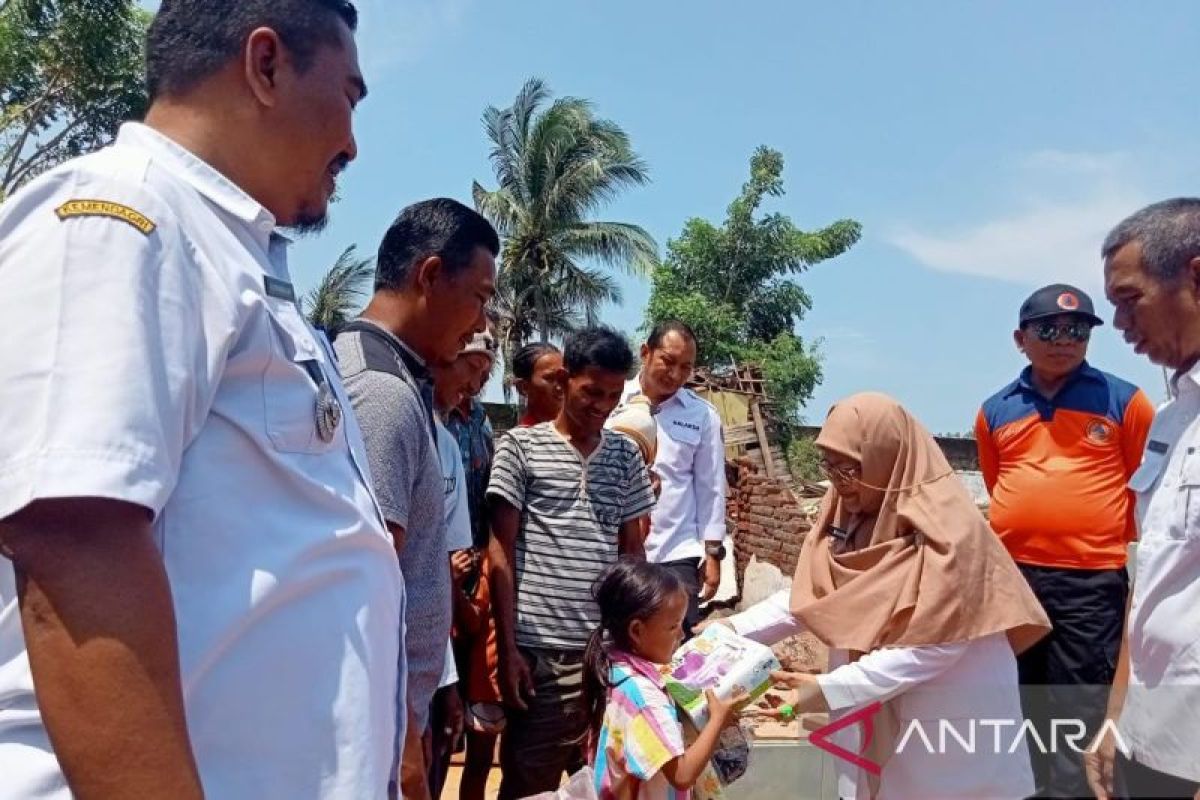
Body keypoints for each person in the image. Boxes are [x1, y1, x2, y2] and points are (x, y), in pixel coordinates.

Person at [0, 3, 405, 798]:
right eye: (350, 96)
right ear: (266, 64)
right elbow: (78, 541)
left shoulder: (229, 257)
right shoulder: (122, 219)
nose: (353, 144)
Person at [711, 393, 1051, 800]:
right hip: (870, 706)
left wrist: (832, 688)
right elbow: (813, 599)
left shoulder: (952, 530)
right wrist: (731, 632)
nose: (838, 482)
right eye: (830, 466)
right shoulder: (845, 514)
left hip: (949, 717)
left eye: (850, 467)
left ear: (886, 456)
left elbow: (938, 645)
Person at [334, 198, 497, 800]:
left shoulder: (379, 369)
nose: (480, 321)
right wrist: (401, 737)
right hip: (381, 723)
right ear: (429, 276)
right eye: (479, 297)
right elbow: (367, 585)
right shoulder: (382, 393)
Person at [974, 283, 1154, 797]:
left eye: (1077, 330)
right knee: (1018, 703)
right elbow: (996, 482)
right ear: (1020, 338)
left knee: (1080, 710)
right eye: (1049, 329)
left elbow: (1143, 487)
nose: (1064, 339)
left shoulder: (1125, 401)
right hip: (1014, 582)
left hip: (1090, 584)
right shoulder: (995, 410)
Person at [488, 327, 656, 800]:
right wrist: (509, 650)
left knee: (603, 784)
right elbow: (500, 551)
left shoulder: (625, 457)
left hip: (603, 659)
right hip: (539, 656)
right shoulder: (519, 450)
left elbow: (632, 554)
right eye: (591, 392)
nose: (602, 405)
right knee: (529, 784)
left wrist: (630, 647)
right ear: (563, 381)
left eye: (613, 396)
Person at [1085, 198, 1200, 800]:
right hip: (1149, 739)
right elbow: (1149, 579)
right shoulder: (1168, 421)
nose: (1121, 325)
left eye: (1130, 301)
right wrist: (1116, 717)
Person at [584, 559, 744, 800]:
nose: (681, 635)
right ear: (636, 631)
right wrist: (718, 720)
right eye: (673, 627)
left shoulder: (616, 668)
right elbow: (681, 774)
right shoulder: (645, 697)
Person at [619, 320, 727, 638]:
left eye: (686, 367)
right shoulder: (613, 401)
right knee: (621, 639)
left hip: (677, 551)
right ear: (645, 352)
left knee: (674, 644)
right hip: (619, 547)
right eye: (668, 361)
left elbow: (711, 487)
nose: (676, 374)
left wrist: (712, 553)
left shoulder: (703, 416)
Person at [513, 342, 565, 427]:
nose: (560, 387)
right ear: (523, 387)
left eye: (563, 377)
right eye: (550, 378)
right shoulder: (520, 439)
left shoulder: (579, 436)